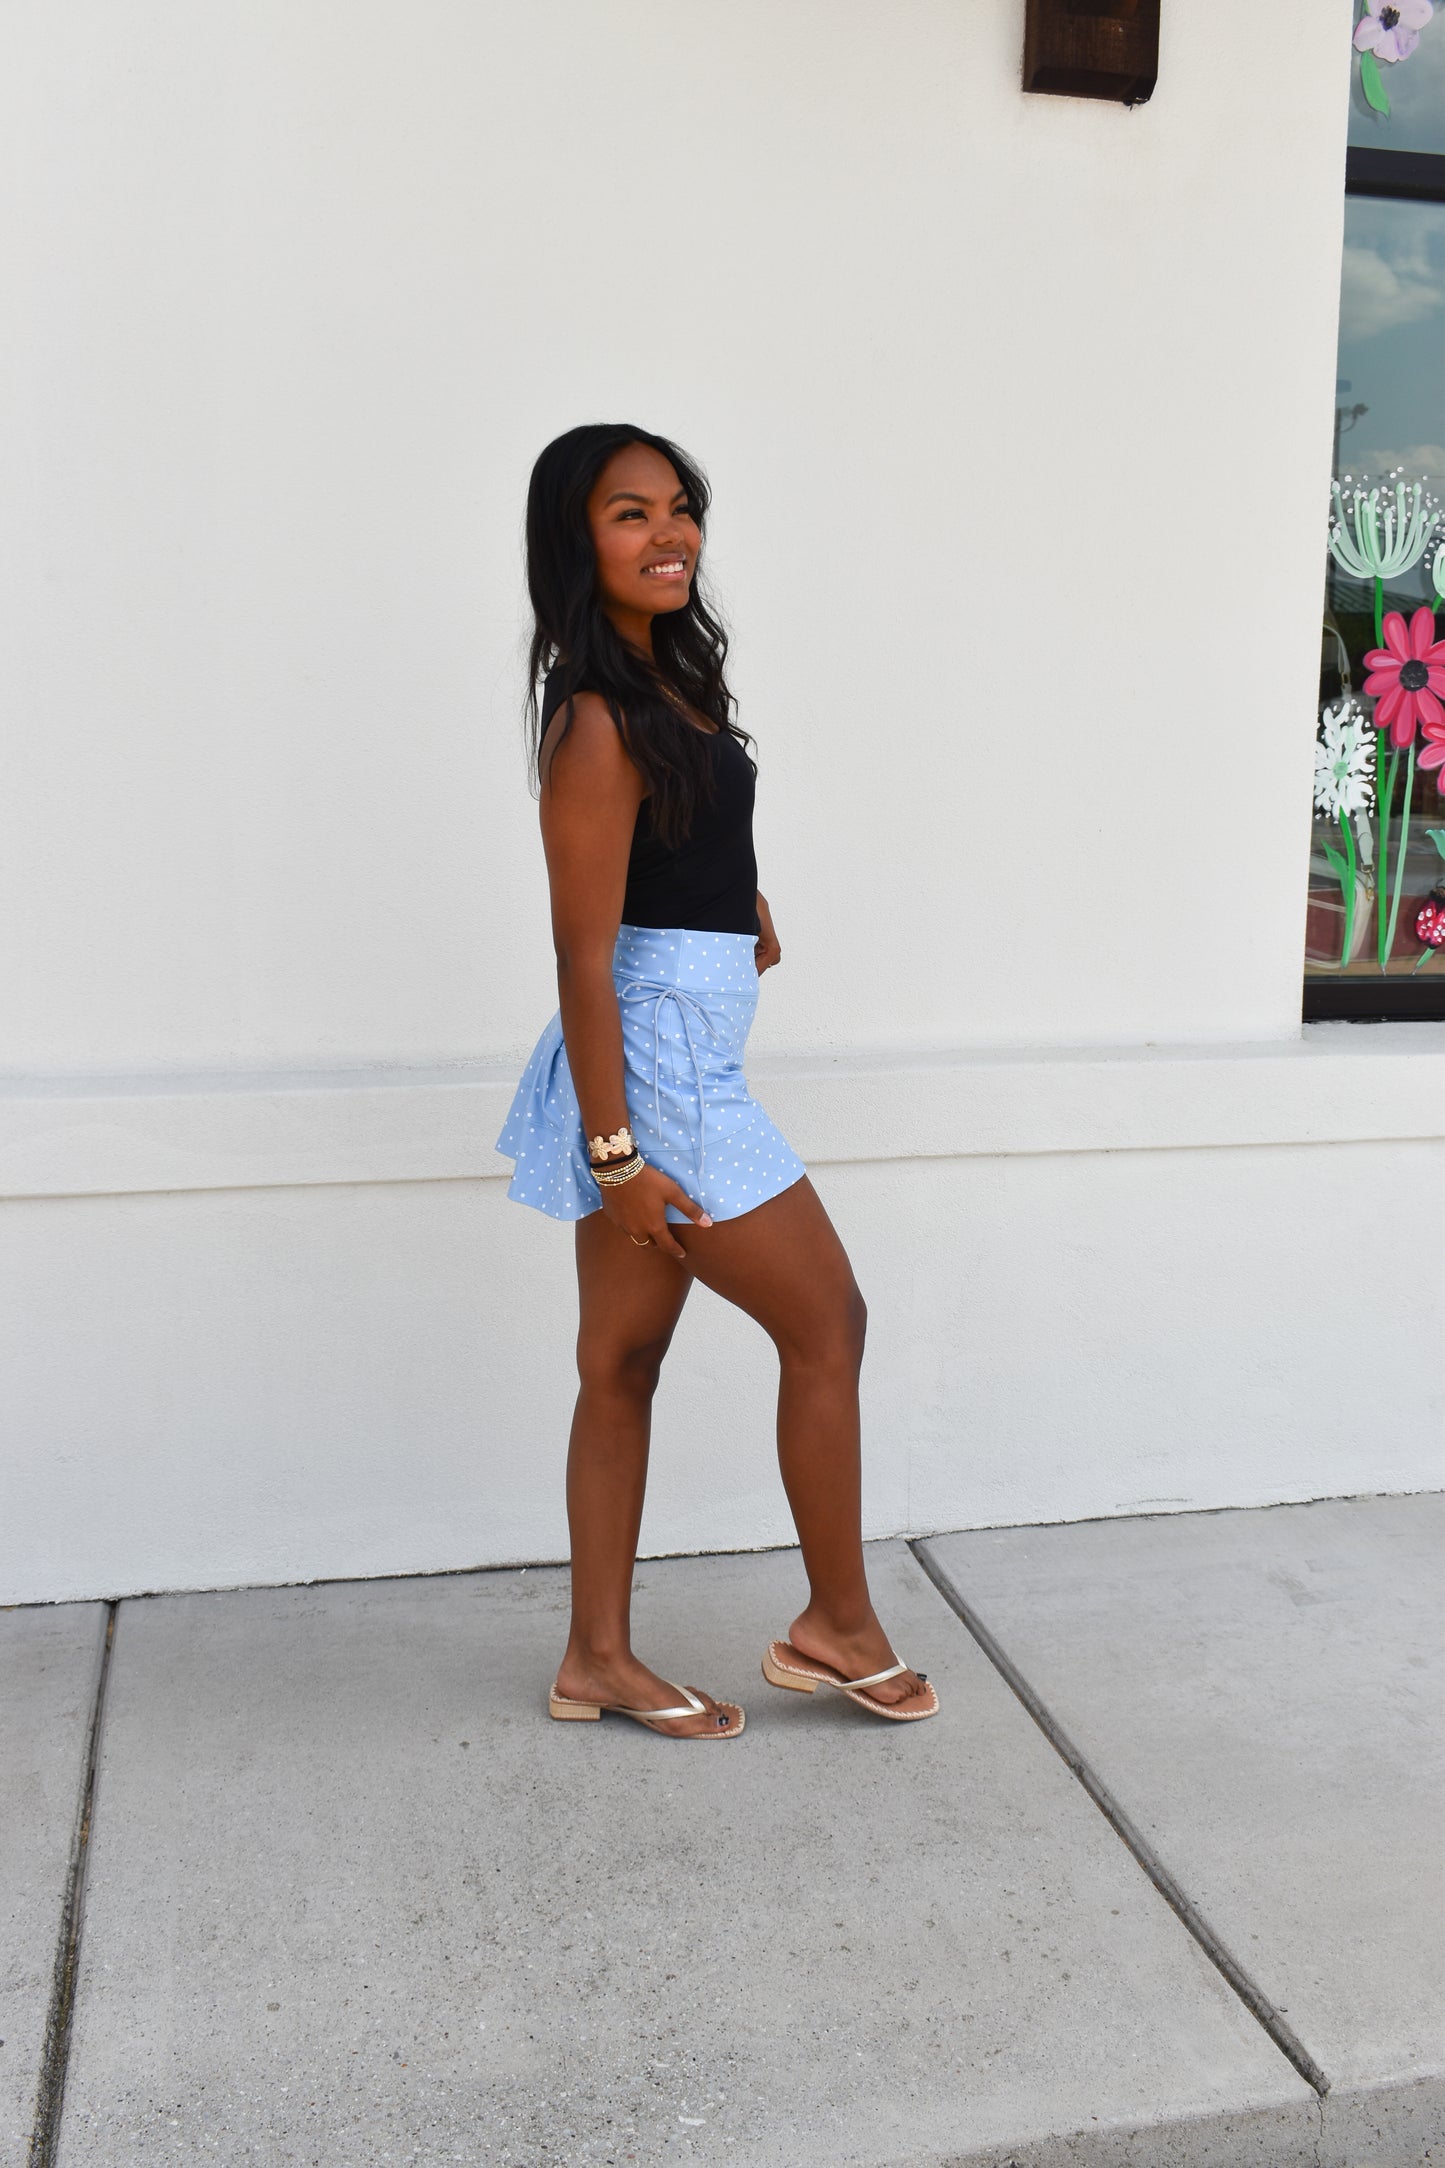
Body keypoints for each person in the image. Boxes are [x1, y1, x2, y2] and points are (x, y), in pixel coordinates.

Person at [497, 423, 938, 1738]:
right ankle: (836, 1626)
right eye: (630, 513)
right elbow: (582, 958)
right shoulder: (594, 715)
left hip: (670, 1044)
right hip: (661, 1073)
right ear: (576, 541)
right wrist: (618, 1156)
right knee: (828, 1323)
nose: (669, 533)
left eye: (680, 506)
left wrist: (734, 895)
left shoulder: (660, 684)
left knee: (620, 1361)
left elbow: (660, 852)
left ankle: (595, 1659)